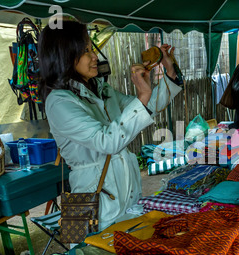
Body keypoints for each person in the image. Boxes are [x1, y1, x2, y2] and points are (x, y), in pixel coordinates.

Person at [38, 20, 183, 230]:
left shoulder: (99, 89)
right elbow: (107, 141)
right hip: (90, 199)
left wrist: (169, 71)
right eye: (86, 50)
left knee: (128, 249)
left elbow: (145, 106)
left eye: (91, 48)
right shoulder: (58, 102)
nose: (94, 56)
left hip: (121, 189)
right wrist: (142, 95)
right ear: (65, 55)